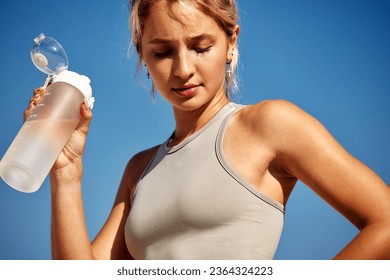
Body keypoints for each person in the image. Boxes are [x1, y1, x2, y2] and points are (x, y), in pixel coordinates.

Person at [26, 0, 390, 260]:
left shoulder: (270, 124)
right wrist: (67, 172)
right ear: (142, 55)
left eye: (201, 47)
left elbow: (385, 222)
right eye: (163, 52)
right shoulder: (139, 170)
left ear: (231, 43)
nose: (183, 68)